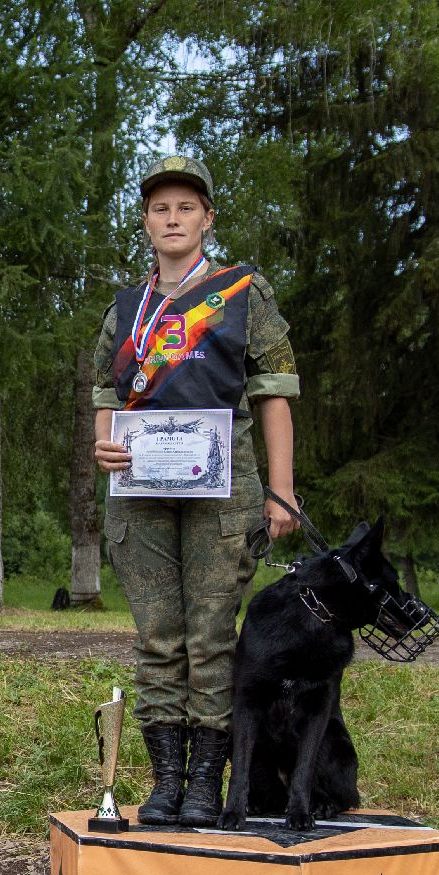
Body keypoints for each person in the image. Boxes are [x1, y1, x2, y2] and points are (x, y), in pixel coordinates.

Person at [90, 155, 301, 827]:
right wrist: (103, 442)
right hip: (140, 492)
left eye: (186, 207)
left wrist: (283, 490)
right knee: (158, 637)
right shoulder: (127, 307)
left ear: (208, 219)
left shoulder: (243, 292)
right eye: (160, 208)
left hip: (224, 490)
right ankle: (165, 780)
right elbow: (105, 388)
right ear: (146, 222)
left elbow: (273, 394)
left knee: (210, 636)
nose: (172, 218)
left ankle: (208, 782)